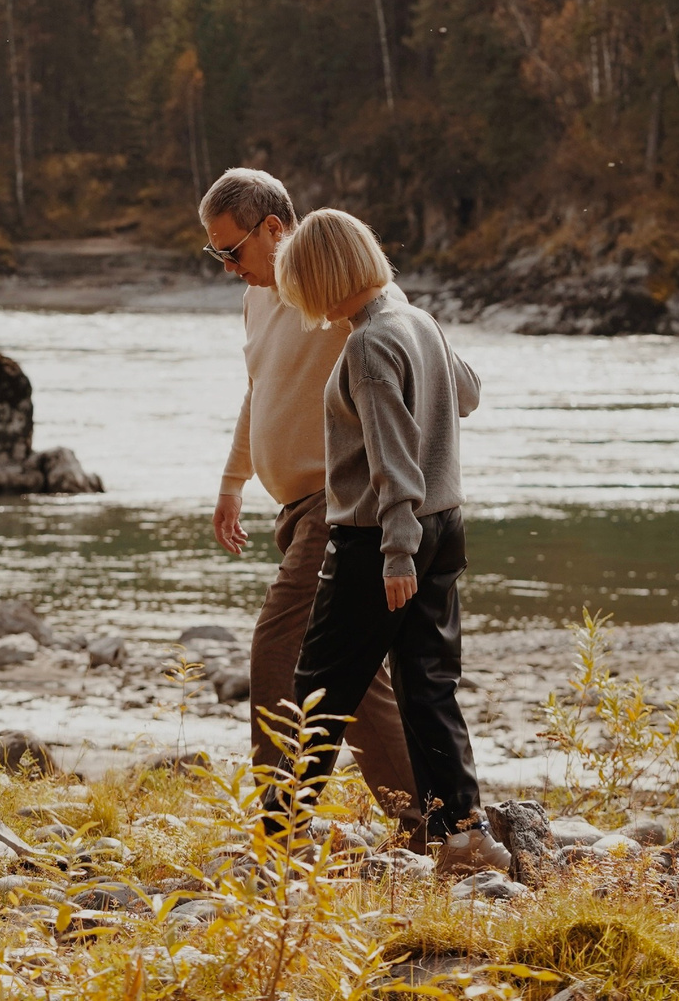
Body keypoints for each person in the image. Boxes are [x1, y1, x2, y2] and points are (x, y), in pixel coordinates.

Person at [272, 206, 507, 877]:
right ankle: (465, 833)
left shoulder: (369, 343)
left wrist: (396, 551)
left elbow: (390, 458)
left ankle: (279, 835)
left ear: (318, 276)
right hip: (446, 523)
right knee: (430, 684)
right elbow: (467, 391)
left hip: (381, 535)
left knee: (320, 686)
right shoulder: (415, 320)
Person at [198, 168, 420, 833]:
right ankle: (434, 825)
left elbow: (400, 333)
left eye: (232, 250)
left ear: (274, 228)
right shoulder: (258, 297)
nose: (228, 266)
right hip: (296, 510)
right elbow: (259, 390)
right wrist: (233, 480)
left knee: (279, 646)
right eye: (215, 254)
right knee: (356, 683)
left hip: (340, 502)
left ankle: (279, 826)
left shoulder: (330, 282)